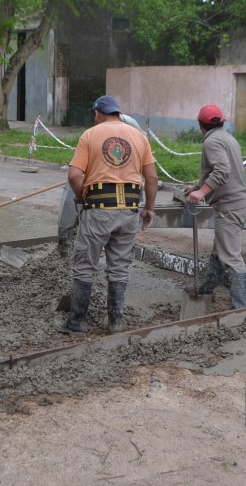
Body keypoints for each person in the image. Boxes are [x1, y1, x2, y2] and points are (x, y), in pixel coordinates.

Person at [59, 95, 158, 335]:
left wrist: (81, 197)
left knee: (85, 264)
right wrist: (149, 209)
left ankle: (77, 321)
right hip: (129, 211)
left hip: (99, 211)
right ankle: (115, 322)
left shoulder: (90, 135)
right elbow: (152, 179)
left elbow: (74, 176)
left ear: (97, 114)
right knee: (119, 267)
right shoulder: (139, 137)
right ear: (118, 112)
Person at [184, 104, 246, 309]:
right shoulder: (229, 138)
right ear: (221, 122)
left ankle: (239, 309)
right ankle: (206, 290)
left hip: (230, 206)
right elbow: (220, 171)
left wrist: (201, 193)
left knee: (231, 257)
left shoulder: (212, 141)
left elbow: (222, 170)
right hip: (237, 203)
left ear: (200, 124)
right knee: (219, 252)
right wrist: (196, 187)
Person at [57, 112, 144, 257]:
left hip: (117, 191)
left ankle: (68, 242)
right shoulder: (102, 130)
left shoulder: (128, 128)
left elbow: (74, 176)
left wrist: (80, 197)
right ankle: (64, 240)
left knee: (87, 259)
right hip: (126, 200)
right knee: (119, 261)